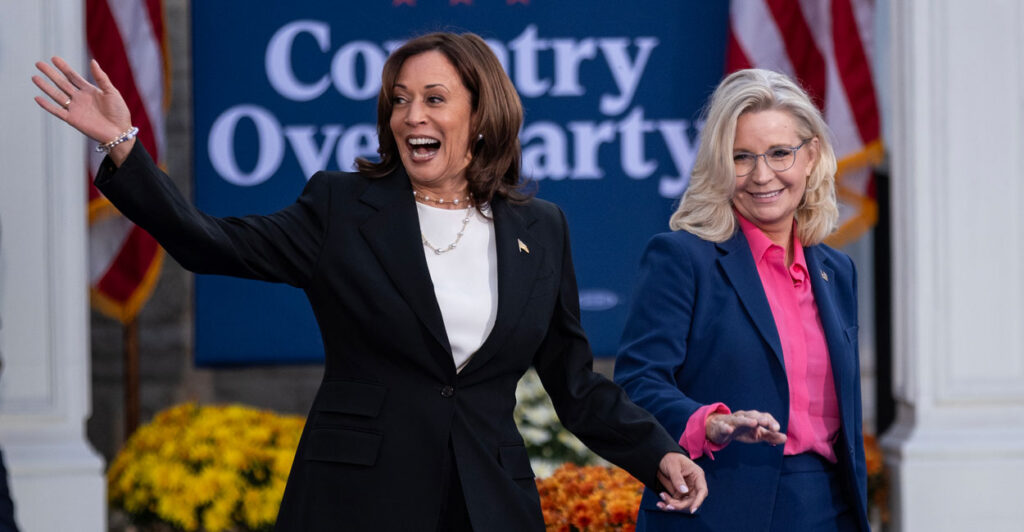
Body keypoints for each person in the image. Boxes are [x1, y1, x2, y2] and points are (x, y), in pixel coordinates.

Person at [32, 32, 707, 531]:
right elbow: (206, 244)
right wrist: (121, 146)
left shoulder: (543, 227)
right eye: (399, 101)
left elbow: (576, 385)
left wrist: (659, 454)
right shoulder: (341, 208)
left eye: (434, 99)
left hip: (488, 503)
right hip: (359, 500)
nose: (412, 116)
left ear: (480, 115)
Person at [614, 68, 869, 531]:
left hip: (828, 507)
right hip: (716, 506)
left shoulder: (837, 271)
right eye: (741, 157)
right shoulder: (681, 256)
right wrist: (707, 422)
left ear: (811, 156)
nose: (761, 175)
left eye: (779, 153)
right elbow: (638, 382)